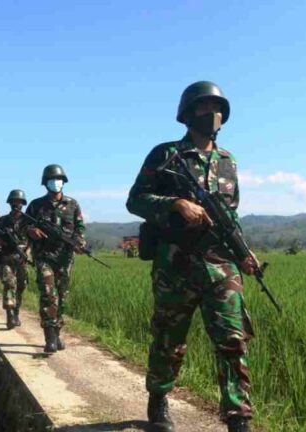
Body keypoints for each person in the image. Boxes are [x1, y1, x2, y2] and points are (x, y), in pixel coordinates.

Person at [126, 81, 259, 432]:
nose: (212, 114)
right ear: (188, 114)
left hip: (220, 265)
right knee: (170, 340)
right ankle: (158, 398)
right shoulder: (165, 155)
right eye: (204, 107)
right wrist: (175, 204)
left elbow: (231, 215)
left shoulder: (229, 162)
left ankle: (238, 416)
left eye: (217, 108)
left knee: (233, 340)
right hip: (176, 265)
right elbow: (136, 199)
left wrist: (244, 252)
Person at [24, 164, 86, 353]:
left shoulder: (73, 204)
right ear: (45, 184)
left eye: (58, 180)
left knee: (62, 296)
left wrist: (80, 243)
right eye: (52, 180)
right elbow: (23, 226)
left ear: (63, 183)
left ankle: (57, 332)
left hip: (65, 258)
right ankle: (49, 337)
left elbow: (80, 228)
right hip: (44, 257)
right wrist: (31, 230)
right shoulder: (35, 205)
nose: (55, 183)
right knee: (49, 295)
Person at [0, 189, 30, 329]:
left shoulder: (28, 220)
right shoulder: (3, 220)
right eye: (14, 202)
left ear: (22, 203)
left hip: (22, 258)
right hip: (6, 257)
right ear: (10, 203)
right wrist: (5, 243)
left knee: (21, 286)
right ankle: (9, 314)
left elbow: (33, 239)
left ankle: (15, 313)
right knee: (9, 284)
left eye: (19, 202)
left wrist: (26, 252)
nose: (16, 204)